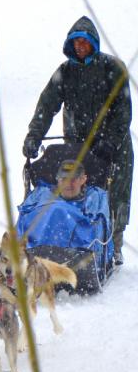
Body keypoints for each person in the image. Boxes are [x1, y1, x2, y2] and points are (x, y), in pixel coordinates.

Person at [22, 16, 133, 265]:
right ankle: (73, 243)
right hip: (78, 146)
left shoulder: (113, 69)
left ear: (94, 43)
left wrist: (111, 142)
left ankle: (113, 243)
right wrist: (33, 136)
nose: (81, 46)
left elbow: (123, 111)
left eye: (85, 42)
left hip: (113, 147)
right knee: (75, 195)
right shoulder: (66, 72)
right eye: (76, 43)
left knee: (114, 194)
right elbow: (47, 105)